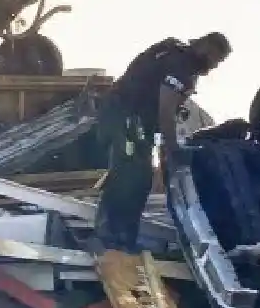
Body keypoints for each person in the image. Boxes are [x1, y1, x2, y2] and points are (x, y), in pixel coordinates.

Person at [93, 32, 231, 251]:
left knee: (127, 174)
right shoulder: (183, 66)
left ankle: (112, 235)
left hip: (123, 115)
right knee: (135, 178)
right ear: (207, 47)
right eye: (217, 59)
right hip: (128, 119)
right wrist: (172, 146)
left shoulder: (173, 52)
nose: (214, 66)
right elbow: (165, 108)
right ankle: (115, 239)